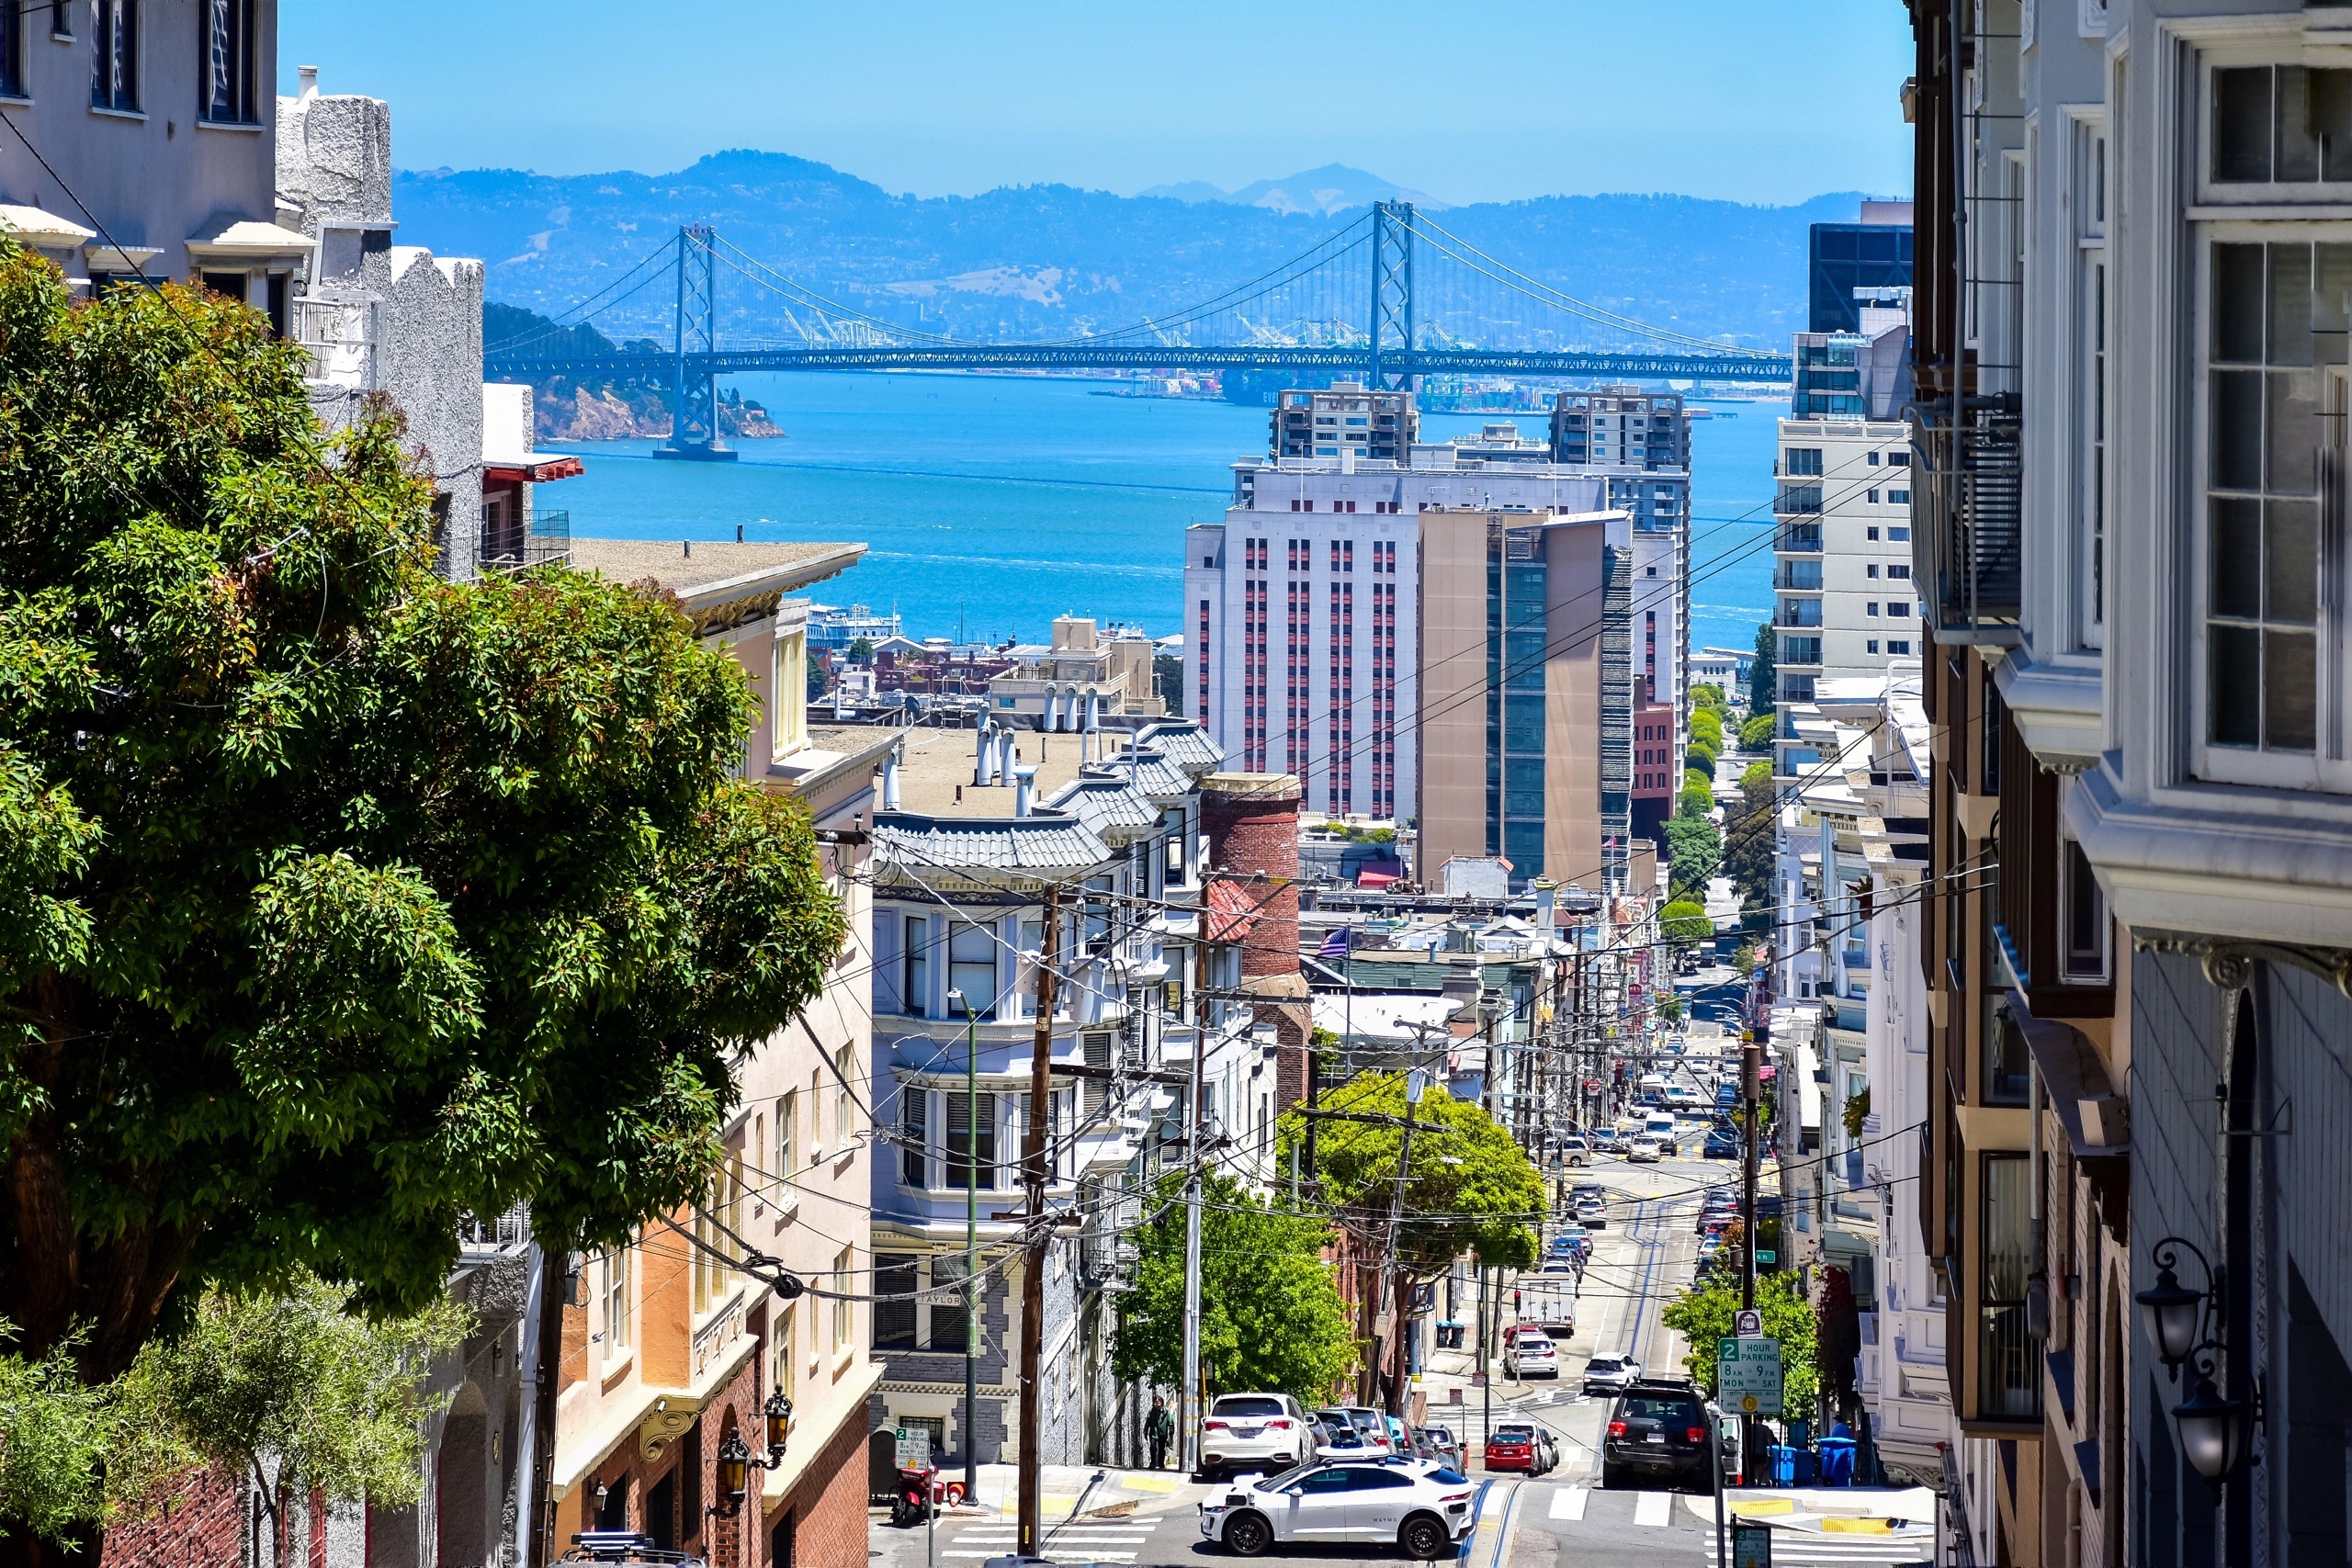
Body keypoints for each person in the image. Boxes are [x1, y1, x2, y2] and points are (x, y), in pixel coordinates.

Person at [1147, 1394, 1175, 1470]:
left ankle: (1161, 1464)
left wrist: (1171, 1434)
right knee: (1153, 1447)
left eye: (1159, 1401)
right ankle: (1153, 1463)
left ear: (1162, 1402)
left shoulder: (1166, 1412)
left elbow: (1171, 1423)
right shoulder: (1151, 1411)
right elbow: (1148, 1422)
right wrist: (1145, 1431)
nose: (1157, 1403)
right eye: (1156, 1401)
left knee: (1161, 1449)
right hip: (1153, 1433)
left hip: (1163, 1434)